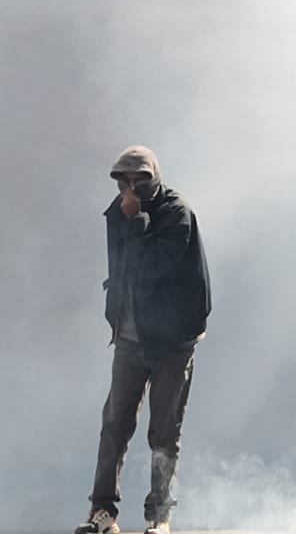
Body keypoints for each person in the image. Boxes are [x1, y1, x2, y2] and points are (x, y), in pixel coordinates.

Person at [75, 146, 211, 534]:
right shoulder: (118, 213)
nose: (131, 187)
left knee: (164, 432)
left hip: (171, 343)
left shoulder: (175, 214)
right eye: (124, 179)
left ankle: (159, 518)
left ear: (154, 176)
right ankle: (102, 513)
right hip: (131, 339)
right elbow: (118, 269)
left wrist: (134, 222)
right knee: (115, 424)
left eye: (139, 179)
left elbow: (152, 269)